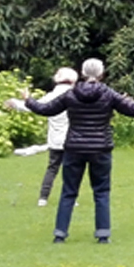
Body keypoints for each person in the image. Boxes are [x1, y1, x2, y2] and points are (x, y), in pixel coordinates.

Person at [9, 59, 134, 243]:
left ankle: (60, 235)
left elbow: (46, 109)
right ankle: (103, 235)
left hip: (74, 148)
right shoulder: (108, 94)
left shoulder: (71, 94)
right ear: (101, 74)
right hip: (100, 148)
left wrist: (28, 100)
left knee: (68, 192)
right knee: (101, 192)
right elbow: (132, 109)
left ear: (83, 73)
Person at [34, 67, 78, 206]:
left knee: (52, 168)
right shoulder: (75, 95)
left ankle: (43, 197)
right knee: (70, 170)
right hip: (71, 139)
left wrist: (16, 103)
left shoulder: (51, 96)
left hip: (54, 139)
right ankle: (71, 198)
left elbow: (34, 105)